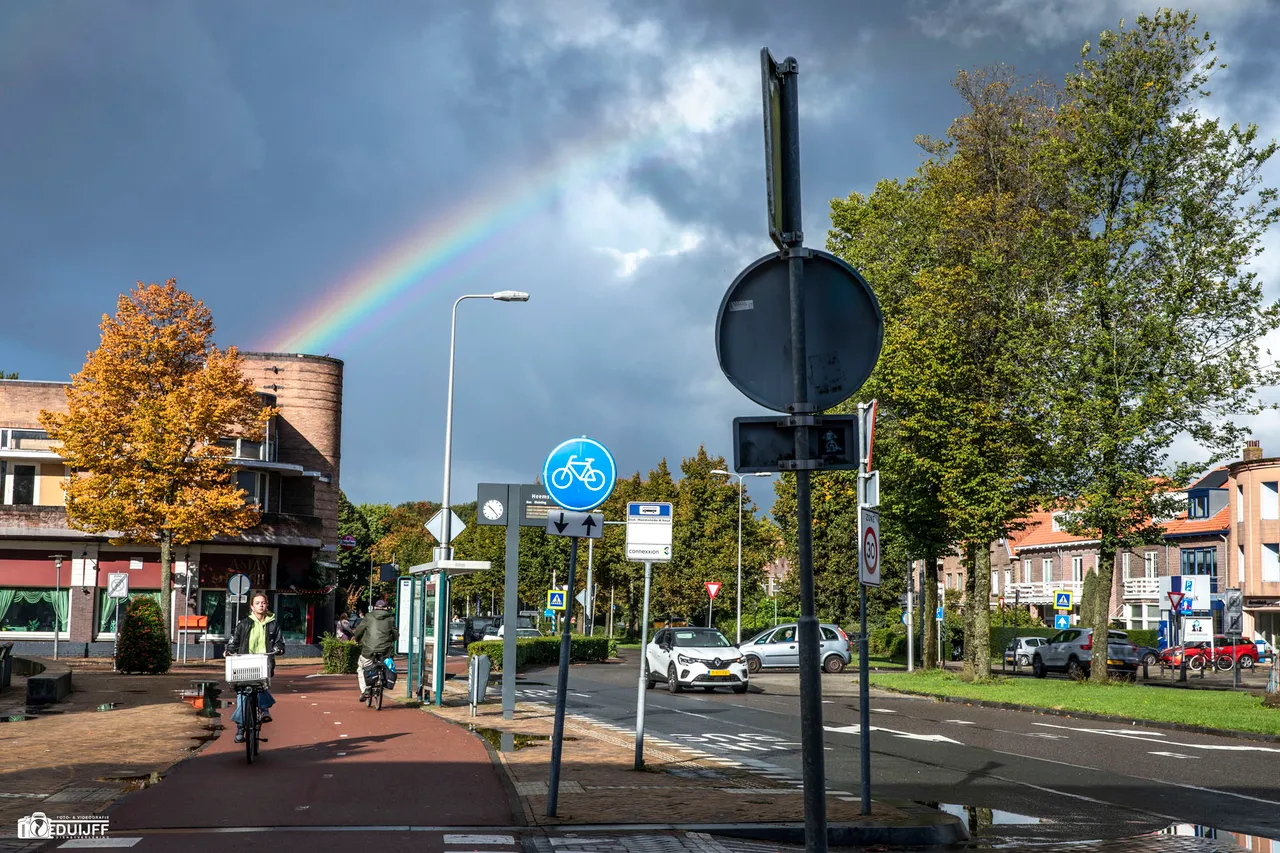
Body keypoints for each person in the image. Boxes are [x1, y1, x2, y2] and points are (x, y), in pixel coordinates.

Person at [225, 591, 286, 743]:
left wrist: (278, 648)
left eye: (263, 603)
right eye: (257, 603)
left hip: (264, 663)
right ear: (252, 606)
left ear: (267, 605)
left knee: (262, 686)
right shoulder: (243, 623)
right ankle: (240, 728)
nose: (261, 605)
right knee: (242, 695)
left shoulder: (273, 624)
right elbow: (234, 641)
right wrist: (230, 650)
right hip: (244, 664)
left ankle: (264, 709)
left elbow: (279, 642)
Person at [352, 599, 397, 702]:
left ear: (374, 607)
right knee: (385, 663)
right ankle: (382, 681)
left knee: (361, 667)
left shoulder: (368, 616)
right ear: (386, 608)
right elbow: (395, 634)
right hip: (385, 650)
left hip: (369, 650)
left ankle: (365, 690)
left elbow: (359, 630)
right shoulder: (390, 618)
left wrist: (357, 639)